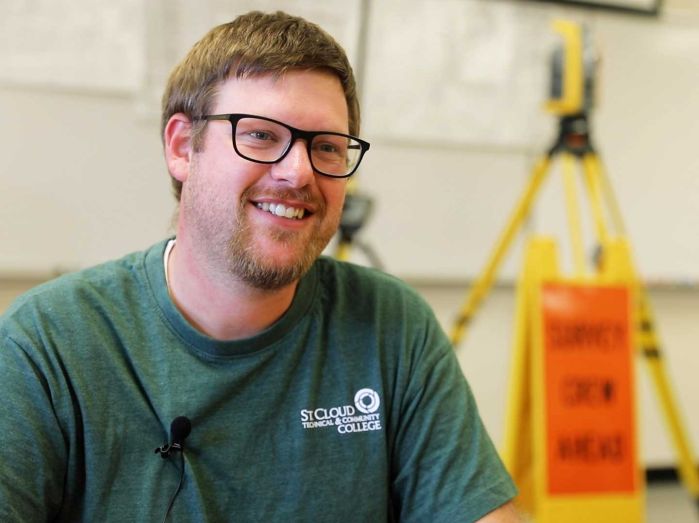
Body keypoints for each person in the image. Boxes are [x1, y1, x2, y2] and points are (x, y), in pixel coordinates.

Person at [0, 10, 520, 522]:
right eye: (261, 135)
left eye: (327, 147)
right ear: (183, 147)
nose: (298, 173)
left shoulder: (391, 328)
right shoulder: (48, 346)